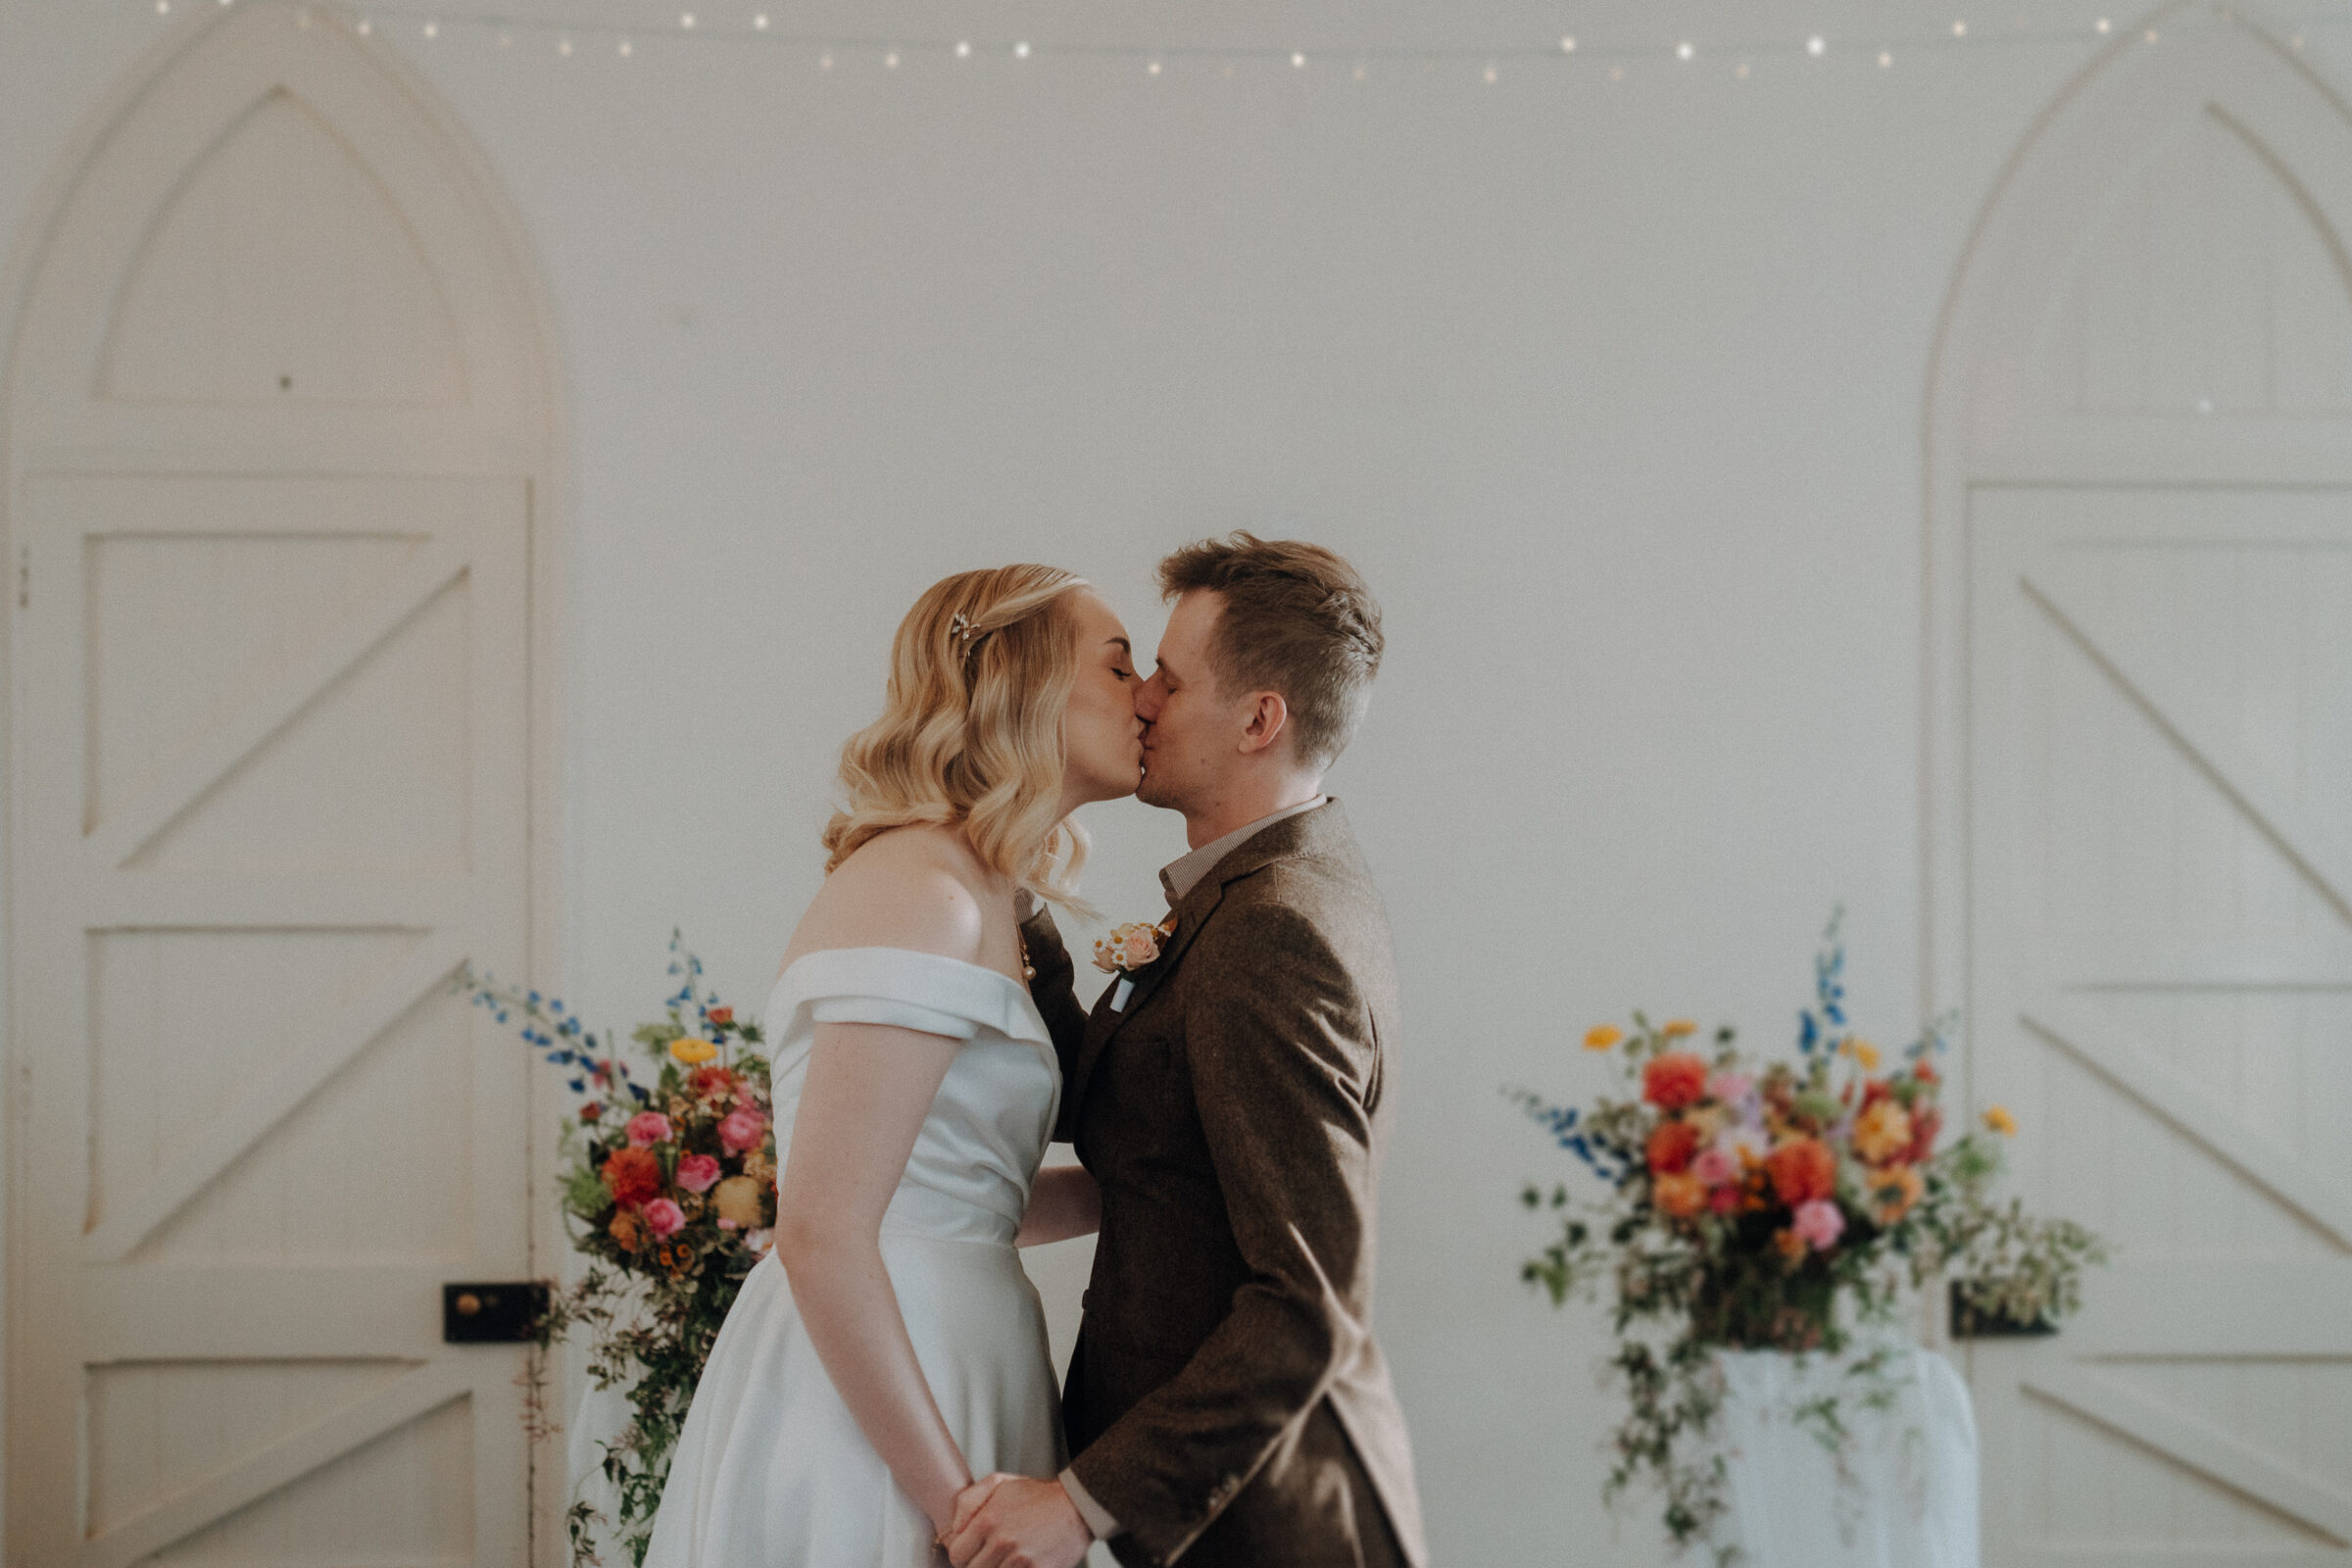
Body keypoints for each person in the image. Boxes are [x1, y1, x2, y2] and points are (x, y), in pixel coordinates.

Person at [640, 564, 1140, 1568]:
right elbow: (825, 1232)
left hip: (957, 1344)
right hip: (879, 1398)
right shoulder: (925, 889)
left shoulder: (986, 891)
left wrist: (1150, 1187)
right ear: (1025, 680)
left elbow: (954, 1198)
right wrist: (960, 1508)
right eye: (1122, 665)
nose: (1150, 693)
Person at [949, 535, 1428, 1568]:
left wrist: (1081, 1502)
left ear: (1261, 719)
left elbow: (1308, 1305)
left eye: (1170, 674)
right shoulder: (1252, 895)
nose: (1145, 698)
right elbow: (1121, 1107)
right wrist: (1008, 877)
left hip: (1269, 1527)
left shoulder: (1276, 928)